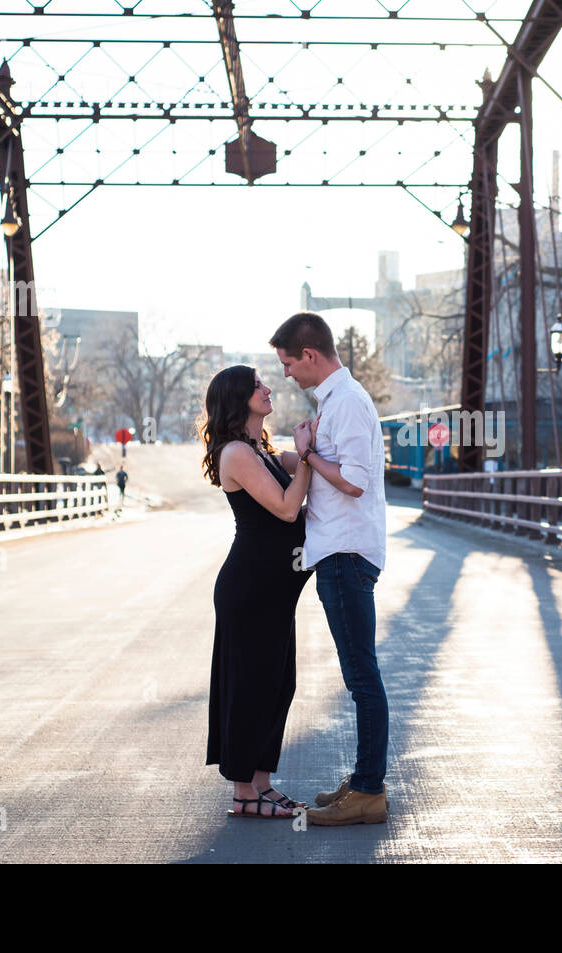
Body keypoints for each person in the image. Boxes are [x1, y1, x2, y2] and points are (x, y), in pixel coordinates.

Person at [271, 311, 389, 827]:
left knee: (362, 677)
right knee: (361, 675)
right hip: (341, 552)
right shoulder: (336, 401)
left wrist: (307, 454)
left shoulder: (348, 403)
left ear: (310, 355)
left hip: (346, 553)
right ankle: (364, 781)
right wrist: (299, 454)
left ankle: (368, 791)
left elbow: (355, 481)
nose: (286, 374)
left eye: (288, 363)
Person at [200, 364, 317, 819]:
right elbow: (288, 508)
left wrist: (312, 445)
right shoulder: (235, 454)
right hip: (250, 589)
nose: (268, 388)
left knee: (277, 685)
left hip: (274, 590)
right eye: (256, 385)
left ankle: (262, 785)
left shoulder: (261, 450)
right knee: (249, 687)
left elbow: (310, 465)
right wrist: (306, 457)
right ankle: (243, 792)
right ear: (237, 398)